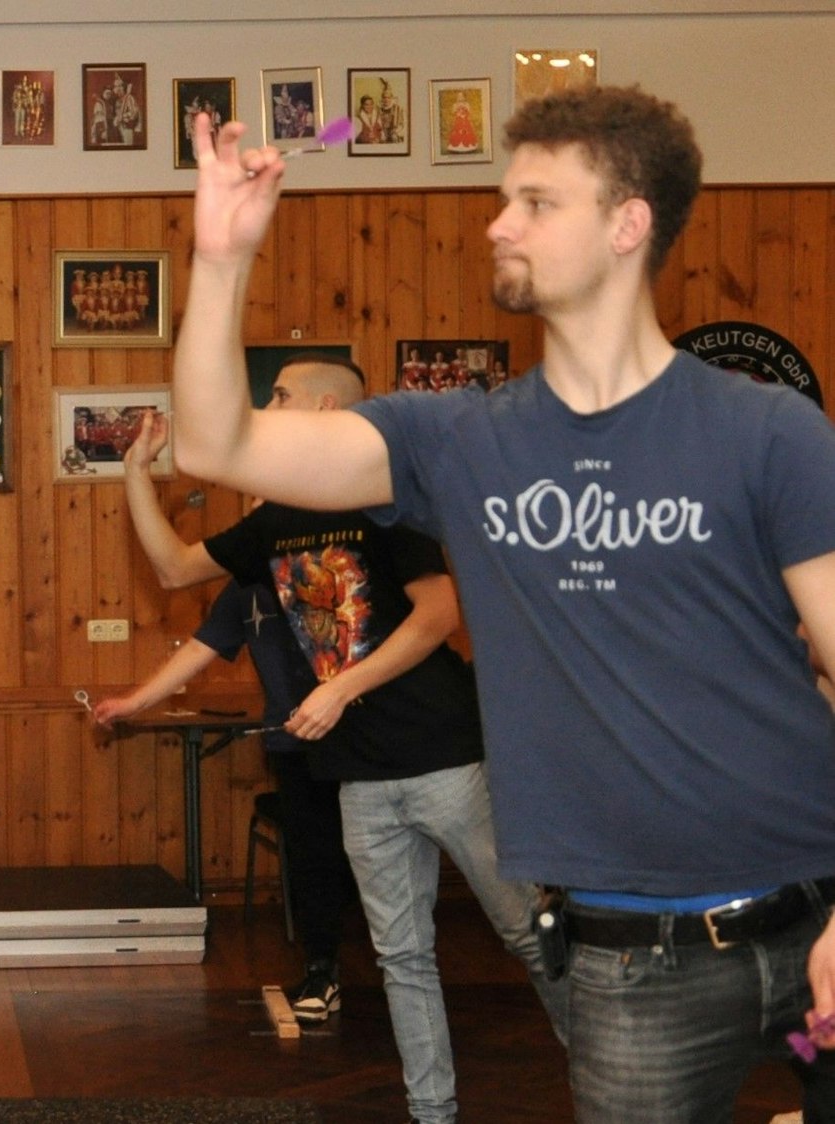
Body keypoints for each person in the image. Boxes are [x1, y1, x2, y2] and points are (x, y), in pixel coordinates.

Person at [173, 87, 835, 1123]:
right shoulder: (459, 440)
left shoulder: (768, 434)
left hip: (818, 931)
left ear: (627, 224)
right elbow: (220, 447)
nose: (496, 221)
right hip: (628, 964)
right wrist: (219, 258)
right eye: (502, 198)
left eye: (534, 201)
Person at [116, 362, 563, 1120]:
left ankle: (615, 1090)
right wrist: (132, 472)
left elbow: (436, 614)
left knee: (523, 933)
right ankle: (432, 1114)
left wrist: (339, 688)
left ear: (323, 410)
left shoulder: (389, 501)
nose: (267, 406)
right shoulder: (273, 521)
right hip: (356, 771)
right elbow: (170, 569)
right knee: (401, 958)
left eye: (281, 397)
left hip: (442, 757)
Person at [90, 574, 348, 1021]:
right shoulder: (245, 585)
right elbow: (198, 648)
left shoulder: (333, 570)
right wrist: (134, 703)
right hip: (294, 746)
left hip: (361, 742)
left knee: (364, 858)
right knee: (312, 859)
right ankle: (321, 971)